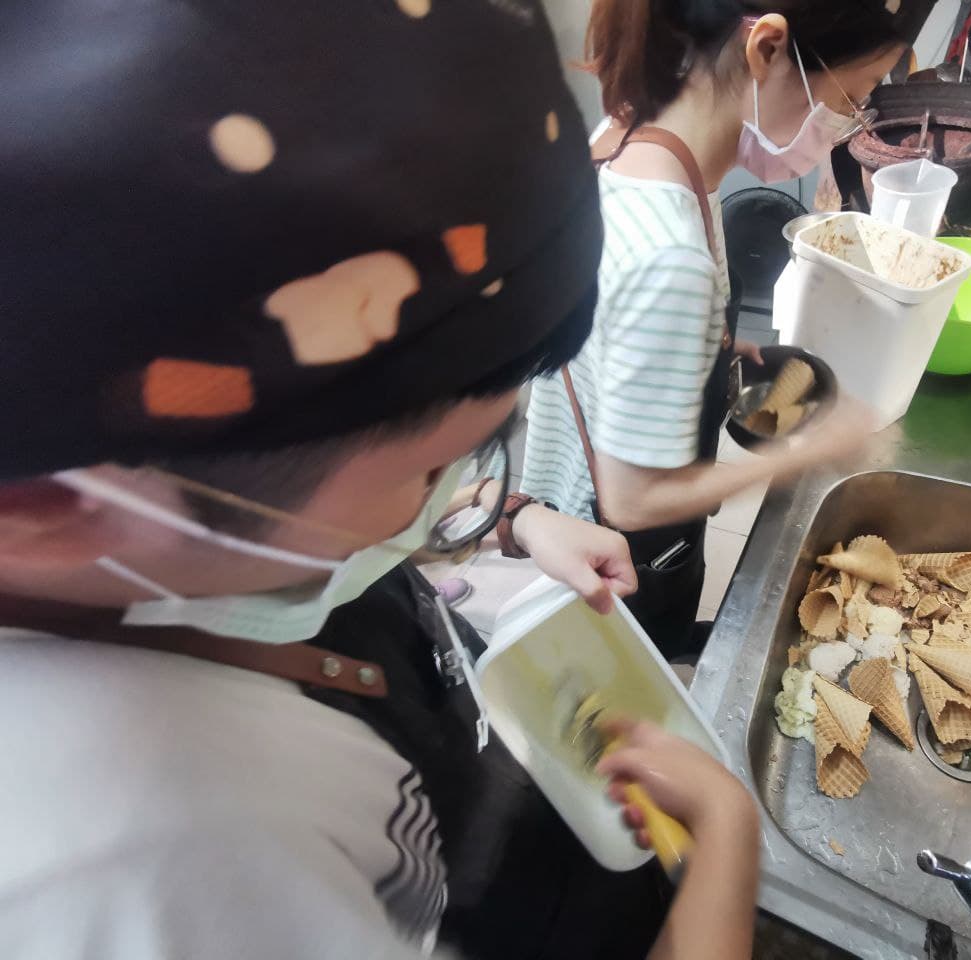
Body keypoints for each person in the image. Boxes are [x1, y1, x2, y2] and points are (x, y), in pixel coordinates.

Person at [0, 3, 758, 959]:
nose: (450, 489)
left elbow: (325, 511)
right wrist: (728, 853)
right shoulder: (163, 871)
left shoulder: (151, 537)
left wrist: (512, 517)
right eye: (430, 469)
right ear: (45, 506)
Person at [522, 0, 937, 658]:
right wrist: (810, 449)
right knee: (638, 656)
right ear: (766, 48)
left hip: (566, 484)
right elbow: (634, 501)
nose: (845, 124)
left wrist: (709, 349)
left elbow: (613, 321)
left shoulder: (627, 137)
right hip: (617, 552)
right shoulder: (672, 257)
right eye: (850, 97)